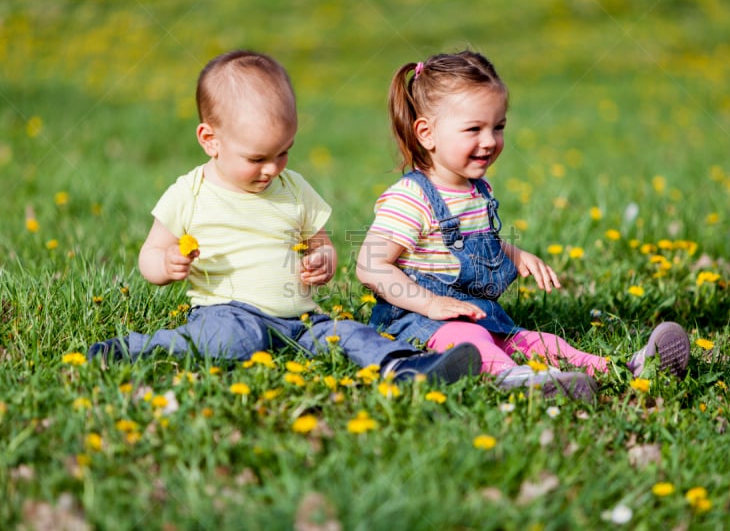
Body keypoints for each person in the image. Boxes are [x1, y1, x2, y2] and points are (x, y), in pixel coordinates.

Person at [87, 50, 480, 384]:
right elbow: (150, 254)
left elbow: (320, 241)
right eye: (257, 158)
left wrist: (323, 260)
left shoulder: (293, 188)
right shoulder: (189, 193)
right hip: (231, 312)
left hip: (302, 315)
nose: (273, 168)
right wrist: (165, 264)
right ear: (210, 140)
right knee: (232, 341)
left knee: (347, 333)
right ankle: (132, 350)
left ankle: (405, 367)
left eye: (284, 152)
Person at [355, 50, 690, 400]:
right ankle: (517, 380)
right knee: (472, 342)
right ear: (426, 133)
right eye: (474, 129)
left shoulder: (476, 191)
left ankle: (626, 368)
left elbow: (468, 245)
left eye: (498, 127)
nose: (490, 141)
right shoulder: (411, 197)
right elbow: (370, 265)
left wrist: (514, 254)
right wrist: (429, 304)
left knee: (541, 341)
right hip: (419, 326)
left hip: (478, 314)